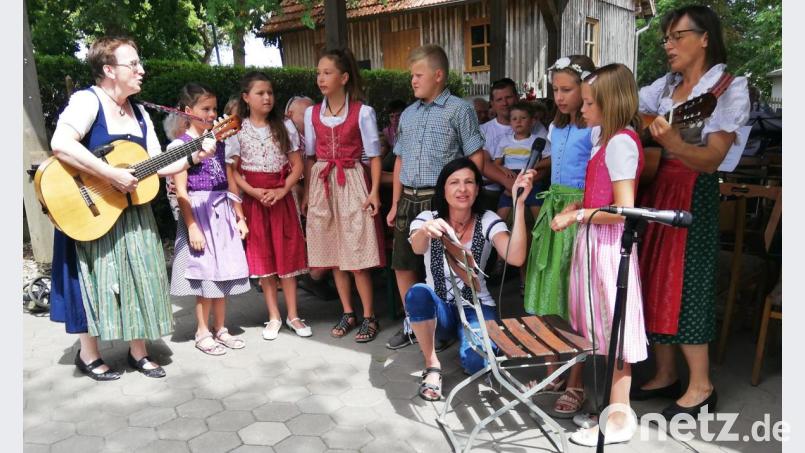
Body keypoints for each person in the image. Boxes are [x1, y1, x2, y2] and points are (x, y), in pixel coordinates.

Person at [49, 36, 216, 379]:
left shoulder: (138, 112)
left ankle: (138, 351)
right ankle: (89, 353)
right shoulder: (87, 101)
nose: (142, 70)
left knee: (142, 276)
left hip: (132, 212)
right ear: (109, 70)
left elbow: (157, 163)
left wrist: (196, 154)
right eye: (133, 64)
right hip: (95, 209)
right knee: (93, 282)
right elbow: (60, 143)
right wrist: (109, 173)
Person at [633, 5, 750, 419]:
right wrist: (647, 129)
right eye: (666, 37)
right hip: (658, 188)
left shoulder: (728, 89)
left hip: (693, 192)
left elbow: (713, 158)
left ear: (704, 38)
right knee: (654, 277)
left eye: (676, 36)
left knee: (687, 285)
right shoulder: (664, 86)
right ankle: (666, 373)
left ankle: (701, 386)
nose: (668, 44)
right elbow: (634, 111)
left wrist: (675, 143)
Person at [550, 63, 646, 446]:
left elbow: (625, 208)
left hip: (610, 248)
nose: (583, 108)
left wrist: (578, 214)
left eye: (590, 101)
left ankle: (619, 420)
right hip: (596, 244)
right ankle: (609, 408)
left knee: (616, 333)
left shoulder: (621, 142)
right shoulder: (603, 139)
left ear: (610, 102)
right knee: (601, 331)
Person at [406, 158, 533, 400]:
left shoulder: (487, 219)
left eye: (469, 182)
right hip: (439, 307)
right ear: (443, 190)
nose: (462, 189)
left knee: (476, 364)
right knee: (418, 293)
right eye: (454, 182)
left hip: (476, 306)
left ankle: (466, 337)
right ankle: (432, 365)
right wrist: (425, 231)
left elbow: (516, 258)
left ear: (477, 189)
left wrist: (519, 204)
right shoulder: (427, 217)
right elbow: (416, 247)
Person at [385, 44, 485, 351]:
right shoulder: (409, 114)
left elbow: (475, 156)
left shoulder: (459, 109)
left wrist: (466, 200)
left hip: (438, 199)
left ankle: (443, 325)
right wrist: (394, 204)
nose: (413, 81)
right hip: (409, 199)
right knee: (403, 264)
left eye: (419, 75)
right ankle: (412, 323)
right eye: (412, 76)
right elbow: (399, 159)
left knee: (439, 267)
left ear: (438, 76)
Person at [301, 47, 385, 343]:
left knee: (357, 255)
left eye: (327, 73)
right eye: (318, 73)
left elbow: (374, 155)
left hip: (351, 181)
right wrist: (308, 194)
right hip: (323, 183)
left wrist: (374, 191)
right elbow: (310, 156)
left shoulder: (363, 112)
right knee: (335, 255)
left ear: (344, 77)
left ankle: (369, 316)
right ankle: (348, 312)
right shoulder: (312, 113)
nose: (321, 78)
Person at [226, 71, 311, 341]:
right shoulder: (237, 129)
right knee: (264, 260)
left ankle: (294, 315)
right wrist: (253, 191)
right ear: (246, 97)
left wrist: (283, 189)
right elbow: (235, 172)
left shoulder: (284, 126)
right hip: (255, 201)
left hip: (281, 197)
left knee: (287, 255)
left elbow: (297, 164)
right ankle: (273, 315)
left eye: (270, 92)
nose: (267, 97)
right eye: (260, 93)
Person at [168, 83, 250, 355]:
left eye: (214, 108)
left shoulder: (221, 141)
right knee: (205, 277)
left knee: (223, 272)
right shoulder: (180, 146)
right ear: (189, 111)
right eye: (206, 109)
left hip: (222, 212)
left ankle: (221, 328)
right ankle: (202, 331)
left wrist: (239, 217)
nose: (212, 113)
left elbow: (229, 183)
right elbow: (180, 191)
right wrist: (192, 226)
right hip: (199, 214)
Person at [523, 55, 596, 323]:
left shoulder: (594, 127)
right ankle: (551, 330)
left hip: (577, 205)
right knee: (551, 269)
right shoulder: (556, 125)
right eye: (555, 90)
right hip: (553, 202)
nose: (559, 97)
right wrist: (535, 169)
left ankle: (572, 332)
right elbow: (560, 157)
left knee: (569, 270)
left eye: (567, 90)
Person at [491, 100, 548, 293]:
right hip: (511, 181)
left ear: (532, 121)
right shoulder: (505, 141)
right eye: (514, 119)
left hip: (532, 179)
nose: (518, 122)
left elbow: (549, 160)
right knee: (500, 217)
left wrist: (532, 168)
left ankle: (543, 246)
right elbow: (496, 163)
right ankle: (500, 258)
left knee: (539, 218)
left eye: (523, 118)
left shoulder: (538, 142)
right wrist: (503, 170)